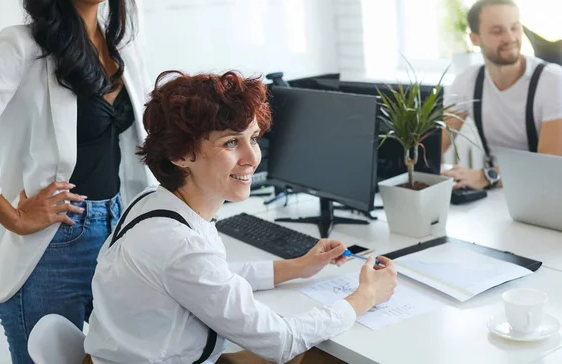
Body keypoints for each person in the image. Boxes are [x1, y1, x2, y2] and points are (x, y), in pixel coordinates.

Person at [83, 71, 398, 364]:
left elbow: (213, 277)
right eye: (231, 142)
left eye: (255, 138)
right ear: (180, 155)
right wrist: (366, 296)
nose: (252, 158)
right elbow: (280, 340)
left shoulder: (153, 201)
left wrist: (297, 267)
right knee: (318, 356)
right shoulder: (178, 244)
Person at [0, 0, 155, 362]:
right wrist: (14, 218)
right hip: (56, 246)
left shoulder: (122, 44)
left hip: (119, 232)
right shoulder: (21, 46)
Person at [442, 0, 562, 190]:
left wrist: (487, 176)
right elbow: (435, 146)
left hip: (546, 193)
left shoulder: (553, 81)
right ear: (475, 38)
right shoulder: (466, 82)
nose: (510, 38)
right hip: (498, 193)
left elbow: (549, 167)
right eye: (497, 31)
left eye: (514, 28)